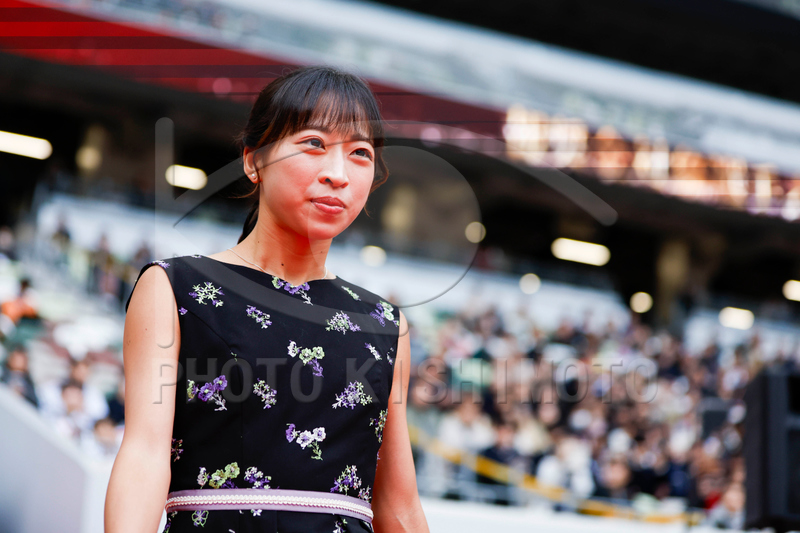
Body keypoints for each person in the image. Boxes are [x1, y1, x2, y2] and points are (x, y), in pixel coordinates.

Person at [105, 65, 429, 533]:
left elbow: (398, 504)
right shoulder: (175, 287)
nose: (337, 174)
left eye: (359, 153)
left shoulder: (384, 324)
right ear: (253, 161)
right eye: (314, 143)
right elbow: (144, 455)